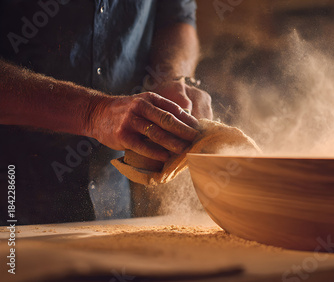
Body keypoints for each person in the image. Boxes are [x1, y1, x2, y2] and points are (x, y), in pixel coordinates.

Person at [0, 0, 212, 224]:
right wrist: (93, 113)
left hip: (110, 196)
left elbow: (177, 18)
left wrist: (170, 76)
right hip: (14, 195)